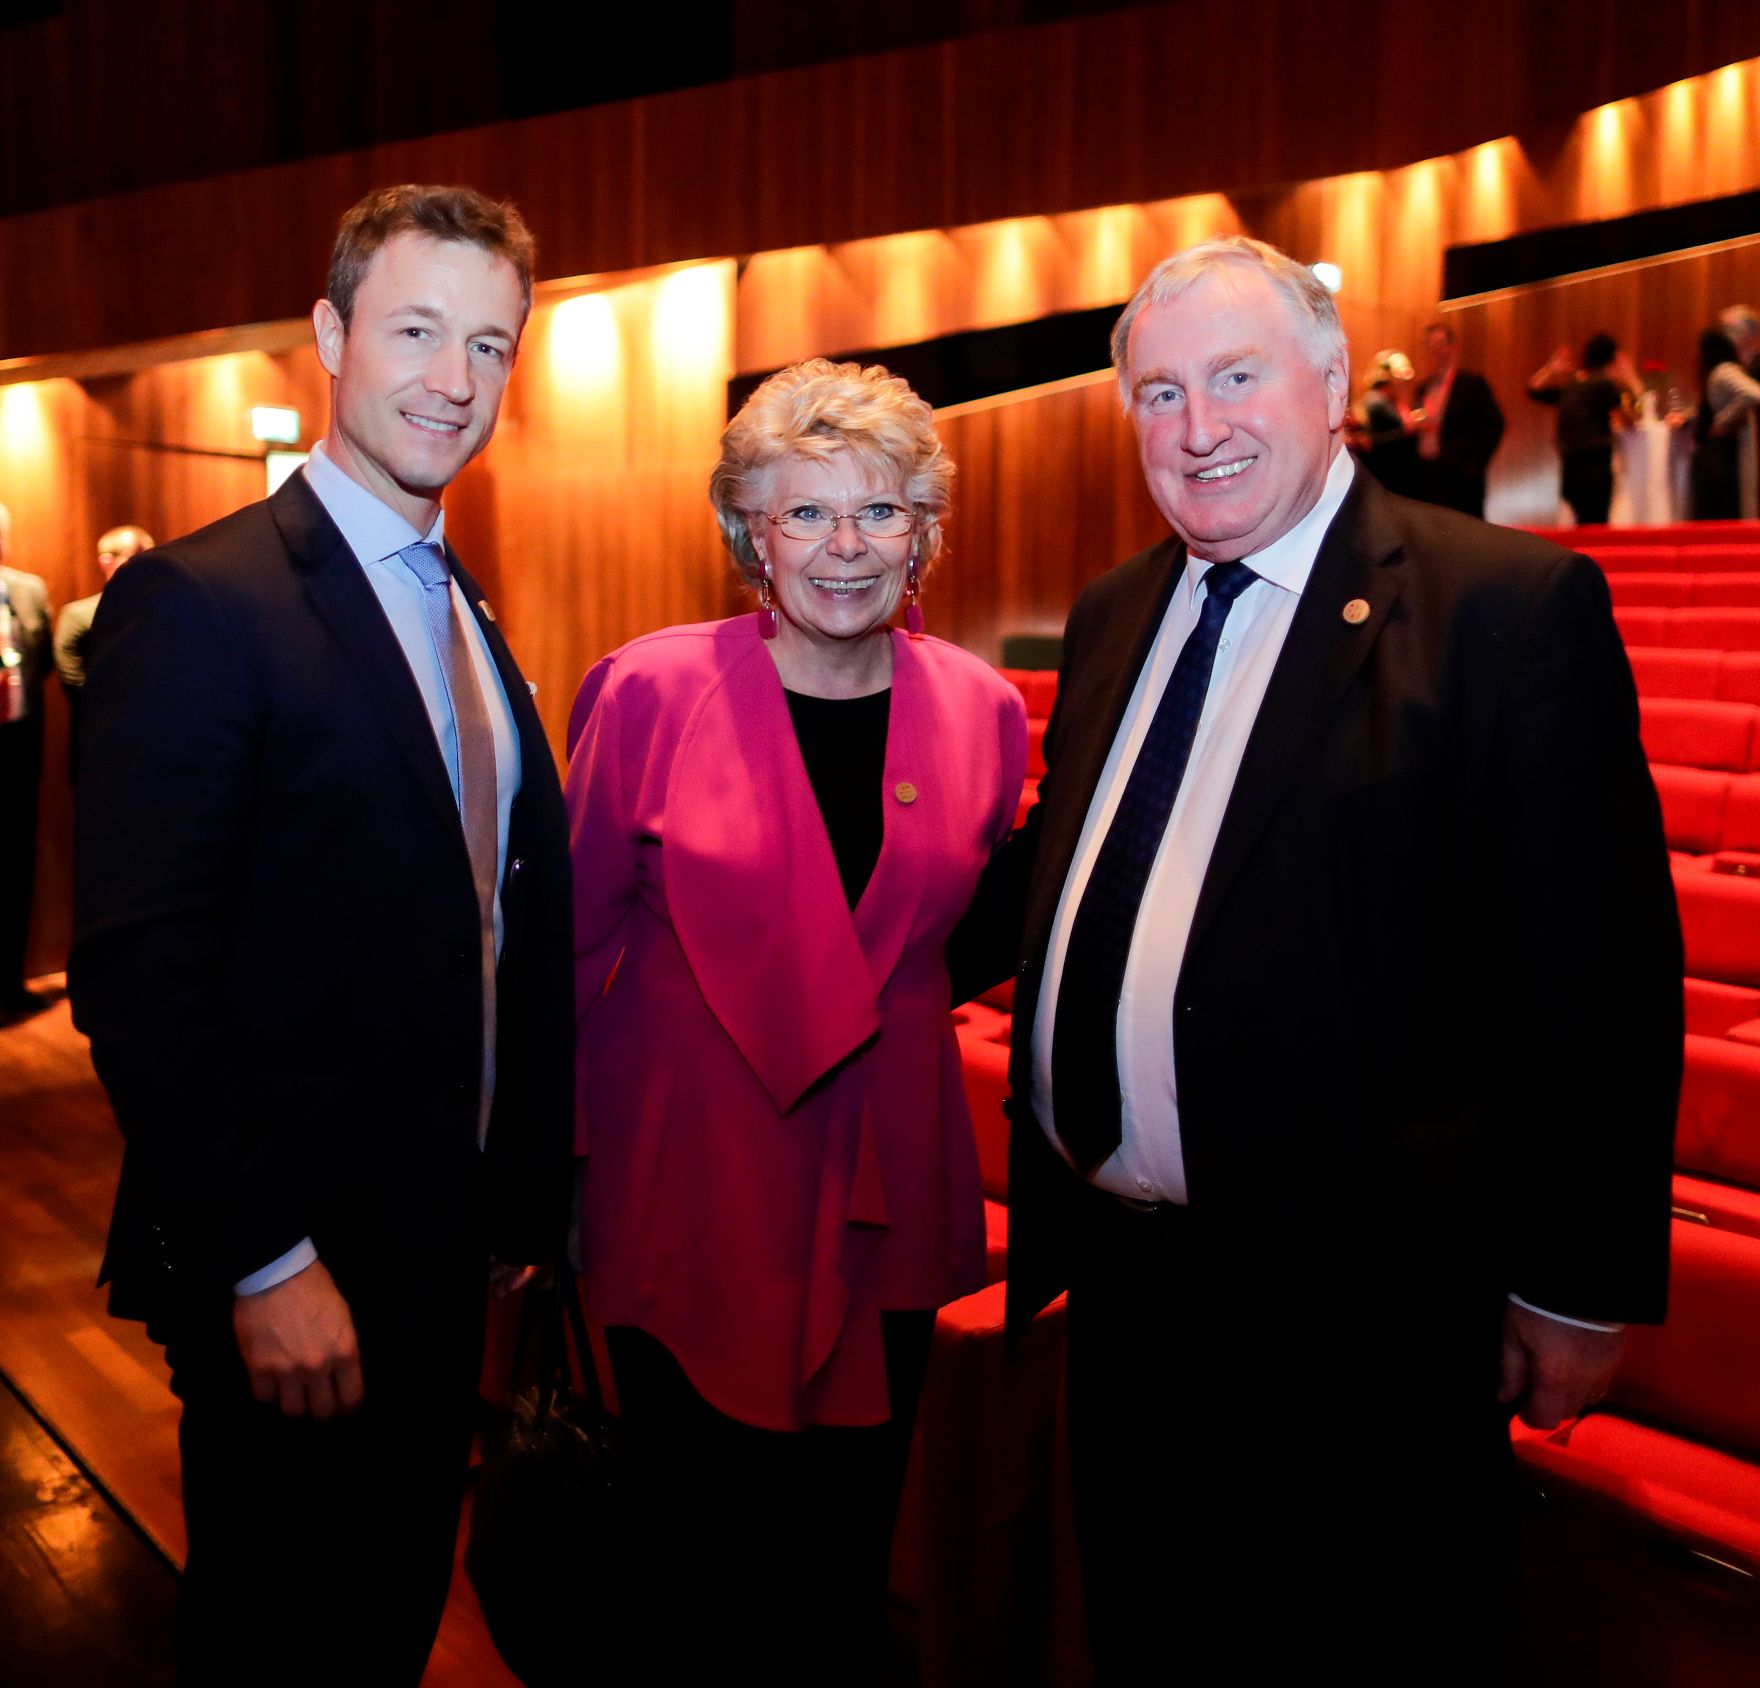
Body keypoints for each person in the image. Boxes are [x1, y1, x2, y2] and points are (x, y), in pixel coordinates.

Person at [952, 237, 1681, 1683]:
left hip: (1365, 1327)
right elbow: (1080, 879)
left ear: (1334, 383)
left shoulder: (1504, 613)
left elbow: (1598, 977)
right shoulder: (1110, 617)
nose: (1197, 427)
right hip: (1131, 1297)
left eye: (1235, 378)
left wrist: (1580, 1284)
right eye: (1157, 394)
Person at [69, 185, 572, 1686]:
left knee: (385, 1626)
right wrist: (263, 1261)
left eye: (489, 345)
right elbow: (143, 972)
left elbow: (477, 918)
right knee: (281, 1642)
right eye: (417, 331)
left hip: (431, 1262)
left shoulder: (461, 606)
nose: (454, 381)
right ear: (332, 334)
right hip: (295, 1276)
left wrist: (512, 1205)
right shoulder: (201, 599)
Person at [565, 357, 1026, 1682]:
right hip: (690, 1189)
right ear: (747, 535)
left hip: (889, 1181)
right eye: (803, 513)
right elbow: (570, 945)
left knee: (841, 1566)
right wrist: (544, 1168)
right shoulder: (649, 690)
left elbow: (962, 929)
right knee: (703, 1572)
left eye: (880, 512)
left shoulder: (983, 711)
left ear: (925, 534)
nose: (844, 546)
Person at [0, 500, 52, 1019]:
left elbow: (45, 665)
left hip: (19, 751)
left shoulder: (29, 589)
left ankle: (9, 984)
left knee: (17, 868)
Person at [54, 523, 154, 779]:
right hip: (99, 743)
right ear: (106, 561)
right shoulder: (78, 617)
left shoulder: (163, 610)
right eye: (135, 557)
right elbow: (75, 682)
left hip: (155, 742)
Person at [1526, 333, 1638, 526]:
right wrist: (1631, 380)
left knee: (1581, 524)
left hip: (1570, 465)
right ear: (1611, 358)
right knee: (1597, 525)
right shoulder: (1603, 383)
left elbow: (1533, 389)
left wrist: (1551, 370)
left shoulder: (1573, 384)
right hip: (1595, 465)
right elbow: (1630, 420)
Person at [1412, 318, 1505, 515]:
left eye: (1439, 344)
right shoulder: (1423, 388)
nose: (1435, 350)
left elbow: (1494, 424)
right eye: (1430, 345)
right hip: (1428, 477)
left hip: (1460, 480)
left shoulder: (1471, 384)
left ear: (1452, 347)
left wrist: (1473, 466)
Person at [1690, 326, 1760, 520]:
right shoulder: (1726, 371)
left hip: (1722, 453)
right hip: (1723, 452)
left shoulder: (1722, 371)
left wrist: (1722, 421)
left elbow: (1754, 393)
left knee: (1716, 509)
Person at [1349, 348, 1422, 496]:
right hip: (1388, 474)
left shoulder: (1386, 401)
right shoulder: (1377, 401)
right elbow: (1400, 431)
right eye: (1400, 381)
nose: (1403, 385)